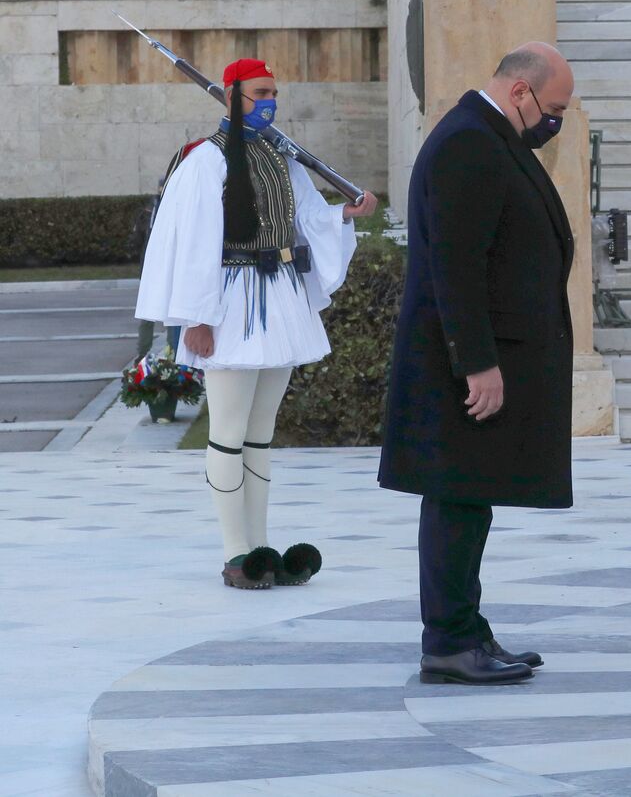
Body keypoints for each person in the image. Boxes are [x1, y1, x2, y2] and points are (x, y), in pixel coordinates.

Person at [136, 57, 378, 590]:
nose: (270, 101)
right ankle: (235, 554)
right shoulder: (205, 160)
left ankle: (261, 548)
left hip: (280, 296)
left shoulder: (280, 155)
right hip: (229, 302)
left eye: (274, 93)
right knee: (227, 432)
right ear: (231, 97)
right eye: (260, 93)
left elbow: (306, 216)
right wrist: (197, 318)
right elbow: (194, 241)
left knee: (259, 434)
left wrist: (345, 213)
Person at [379, 43, 576, 685]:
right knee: (457, 501)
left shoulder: (488, 135)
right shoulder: (469, 141)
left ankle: (466, 629)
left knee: (470, 500)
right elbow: (456, 265)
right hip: (460, 366)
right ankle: (448, 641)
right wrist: (477, 363)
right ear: (520, 91)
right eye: (553, 108)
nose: (555, 122)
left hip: (477, 357)